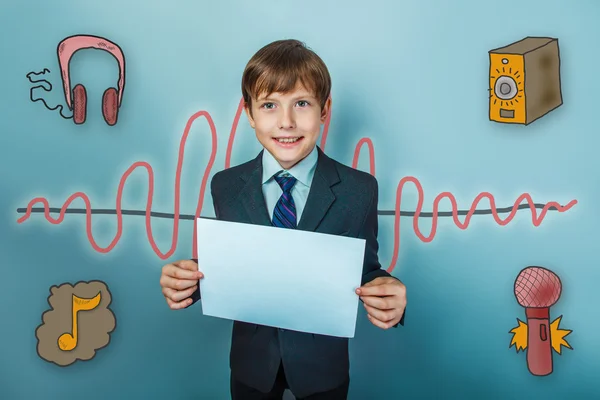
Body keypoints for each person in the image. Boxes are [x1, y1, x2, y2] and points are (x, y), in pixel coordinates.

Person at [159, 39, 407, 399]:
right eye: (270, 105)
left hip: (322, 367)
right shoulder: (226, 185)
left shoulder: (359, 189)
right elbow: (232, 264)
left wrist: (391, 294)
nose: (286, 122)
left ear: (325, 110)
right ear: (249, 113)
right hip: (251, 364)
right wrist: (189, 281)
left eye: (302, 104)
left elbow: (366, 270)